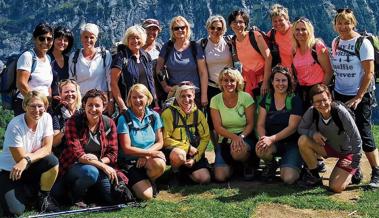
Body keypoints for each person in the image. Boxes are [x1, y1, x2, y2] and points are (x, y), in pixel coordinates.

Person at [330, 9, 379, 188]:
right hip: (340, 93)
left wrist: (359, 96)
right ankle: (355, 168)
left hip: (360, 95)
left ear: (353, 23)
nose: (343, 26)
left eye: (347, 23)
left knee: (363, 132)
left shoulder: (362, 43)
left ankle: (376, 172)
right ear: (335, 25)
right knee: (346, 133)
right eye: (339, 23)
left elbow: (369, 72)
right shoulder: (335, 42)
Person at [58, 89, 127, 206]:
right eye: (90, 105)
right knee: (91, 172)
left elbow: (113, 153)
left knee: (111, 199)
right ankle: (75, 195)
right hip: (74, 166)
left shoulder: (109, 123)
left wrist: (99, 161)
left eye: (97, 105)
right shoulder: (73, 122)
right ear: (84, 105)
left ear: (104, 107)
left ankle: (91, 194)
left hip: (99, 164)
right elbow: (78, 155)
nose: (93, 109)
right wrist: (102, 166)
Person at [0, 91, 59, 216]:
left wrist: (27, 159)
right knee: (15, 211)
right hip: (10, 171)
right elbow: (18, 159)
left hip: (27, 165)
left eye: (40, 106)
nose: (37, 110)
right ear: (25, 106)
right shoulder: (15, 125)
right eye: (32, 106)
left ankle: (43, 198)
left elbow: (47, 148)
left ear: (46, 106)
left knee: (52, 161)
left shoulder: (47, 118)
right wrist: (26, 159)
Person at [298, 84, 362, 193]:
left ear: (330, 98)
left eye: (324, 99)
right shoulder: (312, 111)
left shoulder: (340, 112)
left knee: (335, 187)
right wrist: (312, 134)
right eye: (317, 101)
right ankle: (315, 177)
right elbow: (300, 129)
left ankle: (355, 171)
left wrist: (355, 162)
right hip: (329, 147)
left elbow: (356, 138)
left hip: (348, 152)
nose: (322, 104)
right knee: (303, 140)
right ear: (312, 102)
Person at [256, 65, 303, 184]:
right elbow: (260, 124)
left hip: (292, 143)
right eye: (277, 80)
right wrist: (263, 139)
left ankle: (293, 163)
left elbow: (292, 127)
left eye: (284, 80)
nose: (280, 84)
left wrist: (271, 139)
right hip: (274, 143)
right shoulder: (266, 99)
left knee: (288, 179)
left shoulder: (294, 99)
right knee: (260, 149)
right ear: (272, 82)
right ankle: (271, 164)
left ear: (289, 82)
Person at [117, 84, 165, 200]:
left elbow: (160, 142)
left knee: (159, 164)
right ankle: (139, 183)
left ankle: (151, 180)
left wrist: (146, 155)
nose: (137, 100)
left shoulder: (154, 116)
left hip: (149, 158)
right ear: (129, 100)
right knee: (146, 196)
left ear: (148, 98)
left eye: (141, 97)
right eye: (134, 97)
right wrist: (147, 154)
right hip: (131, 162)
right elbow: (126, 148)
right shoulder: (124, 118)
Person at [210, 68, 257, 182]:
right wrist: (233, 137)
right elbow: (217, 127)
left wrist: (240, 137)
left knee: (238, 150)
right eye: (225, 80)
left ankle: (247, 164)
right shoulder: (215, 100)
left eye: (232, 80)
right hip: (225, 138)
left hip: (244, 136)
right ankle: (234, 167)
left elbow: (251, 124)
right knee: (220, 177)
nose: (229, 83)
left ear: (237, 82)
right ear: (221, 82)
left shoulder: (246, 97)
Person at [161, 81, 211, 185]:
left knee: (205, 179)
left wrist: (195, 158)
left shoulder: (199, 114)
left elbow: (205, 138)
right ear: (177, 97)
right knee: (180, 155)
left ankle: (185, 173)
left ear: (193, 96)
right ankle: (175, 172)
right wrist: (187, 148)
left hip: (193, 153)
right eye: (182, 96)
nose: (186, 100)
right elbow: (165, 139)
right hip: (176, 152)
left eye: (189, 96)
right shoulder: (168, 114)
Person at [156, 16, 208, 106]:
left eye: (182, 27)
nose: (180, 30)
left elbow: (203, 72)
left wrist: (204, 95)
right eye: (176, 28)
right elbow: (158, 69)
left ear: (187, 29)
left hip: (194, 95)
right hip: (175, 95)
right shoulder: (167, 47)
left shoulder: (195, 47)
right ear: (172, 31)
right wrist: (165, 86)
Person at [201, 15, 233, 145]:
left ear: (224, 29)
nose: (215, 31)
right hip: (212, 87)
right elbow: (202, 72)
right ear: (208, 28)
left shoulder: (229, 42)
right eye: (212, 28)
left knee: (230, 118)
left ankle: (232, 147)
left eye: (219, 28)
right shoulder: (202, 44)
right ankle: (216, 149)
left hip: (230, 87)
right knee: (212, 122)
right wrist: (204, 95)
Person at [111, 25, 158, 113]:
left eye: (137, 38)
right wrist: (122, 106)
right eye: (132, 38)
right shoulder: (121, 57)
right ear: (127, 40)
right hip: (129, 106)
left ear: (142, 40)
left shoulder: (146, 56)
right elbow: (113, 83)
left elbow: (151, 80)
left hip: (147, 105)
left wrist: (155, 101)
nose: (135, 41)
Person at [68, 23, 113, 114]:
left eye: (92, 37)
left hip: (101, 103)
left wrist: (111, 101)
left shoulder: (105, 55)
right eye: (85, 37)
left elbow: (110, 80)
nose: (88, 40)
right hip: (81, 104)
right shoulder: (74, 57)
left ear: (96, 39)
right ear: (81, 38)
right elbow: (72, 81)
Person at [227, 10, 272, 99]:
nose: (238, 25)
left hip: (262, 80)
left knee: (263, 109)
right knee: (250, 110)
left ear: (246, 24)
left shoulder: (255, 35)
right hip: (247, 82)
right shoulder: (234, 41)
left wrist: (266, 83)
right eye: (234, 22)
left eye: (240, 22)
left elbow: (269, 58)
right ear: (230, 25)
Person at [292, 17, 333, 108]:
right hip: (302, 91)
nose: (300, 32)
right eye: (297, 30)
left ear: (309, 31)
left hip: (318, 89)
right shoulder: (294, 50)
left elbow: (329, 72)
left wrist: (321, 92)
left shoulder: (317, 47)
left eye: (303, 29)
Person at [15, 23, 54, 116]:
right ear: (34, 39)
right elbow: (21, 84)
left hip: (42, 107)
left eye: (49, 39)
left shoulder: (48, 58)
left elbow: (47, 86)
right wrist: (35, 103)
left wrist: (48, 103)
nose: (45, 41)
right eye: (41, 38)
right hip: (26, 106)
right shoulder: (27, 57)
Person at [50, 79, 81, 158]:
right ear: (60, 94)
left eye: (72, 91)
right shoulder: (56, 113)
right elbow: (54, 142)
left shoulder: (82, 111)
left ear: (77, 93)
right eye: (66, 92)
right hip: (64, 154)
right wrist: (67, 127)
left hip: (82, 152)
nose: (70, 94)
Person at [48, 26, 74, 98]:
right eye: (59, 39)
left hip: (65, 101)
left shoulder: (69, 60)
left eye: (65, 40)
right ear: (53, 40)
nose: (62, 42)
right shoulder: (46, 58)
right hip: (48, 101)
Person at [268, 4, 294, 70]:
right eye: (275, 21)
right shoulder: (272, 34)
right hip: (284, 73)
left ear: (287, 19)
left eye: (280, 20)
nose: (278, 23)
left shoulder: (296, 31)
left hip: (301, 71)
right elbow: (261, 41)